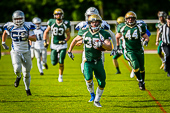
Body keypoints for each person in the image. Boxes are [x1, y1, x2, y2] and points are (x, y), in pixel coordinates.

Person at [68, 14, 112, 107]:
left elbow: (109, 47)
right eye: (92, 22)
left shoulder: (103, 33)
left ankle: (97, 100)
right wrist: (69, 51)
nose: (94, 24)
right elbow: (75, 40)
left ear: (99, 23)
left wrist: (102, 44)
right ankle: (92, 94)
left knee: (102, 82)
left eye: (96, 22)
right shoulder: (84, 32)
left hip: (98, 61)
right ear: (89, 23)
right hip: (88, 61)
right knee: (88, 79)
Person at [75, 7, 117, 103]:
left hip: (99, 53)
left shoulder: (102, 24)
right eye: (89, 16)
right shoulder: (83, 24)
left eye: (93, 15)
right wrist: (80, 41)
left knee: (98, 75)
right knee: (85, 74)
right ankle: (92, 94)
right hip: (86, 52)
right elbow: (80, 37)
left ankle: (96, 95)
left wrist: (115, 48)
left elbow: (112, 35)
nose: (92, 18)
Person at [1, 10, 36, 96]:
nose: (18, 20)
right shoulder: (10, 26)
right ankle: (18, 77)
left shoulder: (28, 26)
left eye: (20, 18)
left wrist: (28, 36)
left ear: (23, 18)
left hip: (26, 51)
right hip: (15, 51)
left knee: (27, 73)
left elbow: (34, 38)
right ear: (13, 19)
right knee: (17, 68)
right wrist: (3, 42)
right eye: (16, 18)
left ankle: (27, 89)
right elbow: (5, 33)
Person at [116, 11, 149, 90]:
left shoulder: (140, 26)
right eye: (129, 18)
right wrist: (117, 46)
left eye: (132, 18)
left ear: (135, 19)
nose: (130, 20)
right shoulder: (122, 26)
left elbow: (146, 36)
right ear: (126, 19)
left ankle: (142, 82)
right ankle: (140, 81)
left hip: (139, 49)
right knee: (135, 65)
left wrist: (146, 41)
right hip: (129, 50)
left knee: (142, 67)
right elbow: (117, 36)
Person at [43, 8, 71, 82]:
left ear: (62, 15)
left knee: (61, 61)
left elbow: (68, 36)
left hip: (63, 45)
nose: (58, 16)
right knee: (53, 63)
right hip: (54, 45)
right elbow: (46, 32)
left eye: (60, 14)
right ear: (54, 15)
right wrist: (45, 41)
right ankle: (57, 58)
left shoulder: (65, 23)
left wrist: (65, 40)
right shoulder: (51, 22)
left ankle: (60, 76)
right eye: (57, 14)